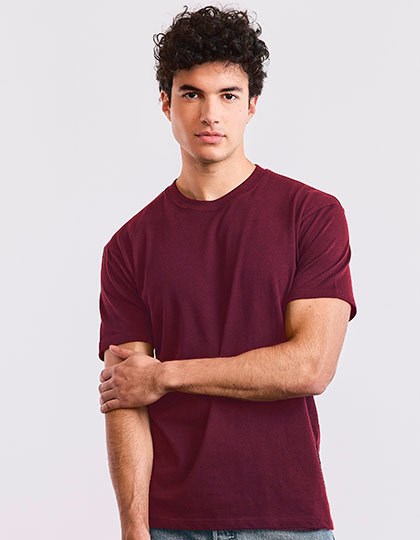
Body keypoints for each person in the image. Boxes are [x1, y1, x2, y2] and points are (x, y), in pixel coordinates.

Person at [97, 5, 357, 540]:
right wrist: (133, 529)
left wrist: (166, 375)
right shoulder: (128, 246)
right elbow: (125, 396)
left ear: (252, 104)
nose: (210, 114)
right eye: (192, 94)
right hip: (170, 524)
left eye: (229, 95)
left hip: (285, 519)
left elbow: (311, 366)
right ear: (166, 103)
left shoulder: (311, 215)